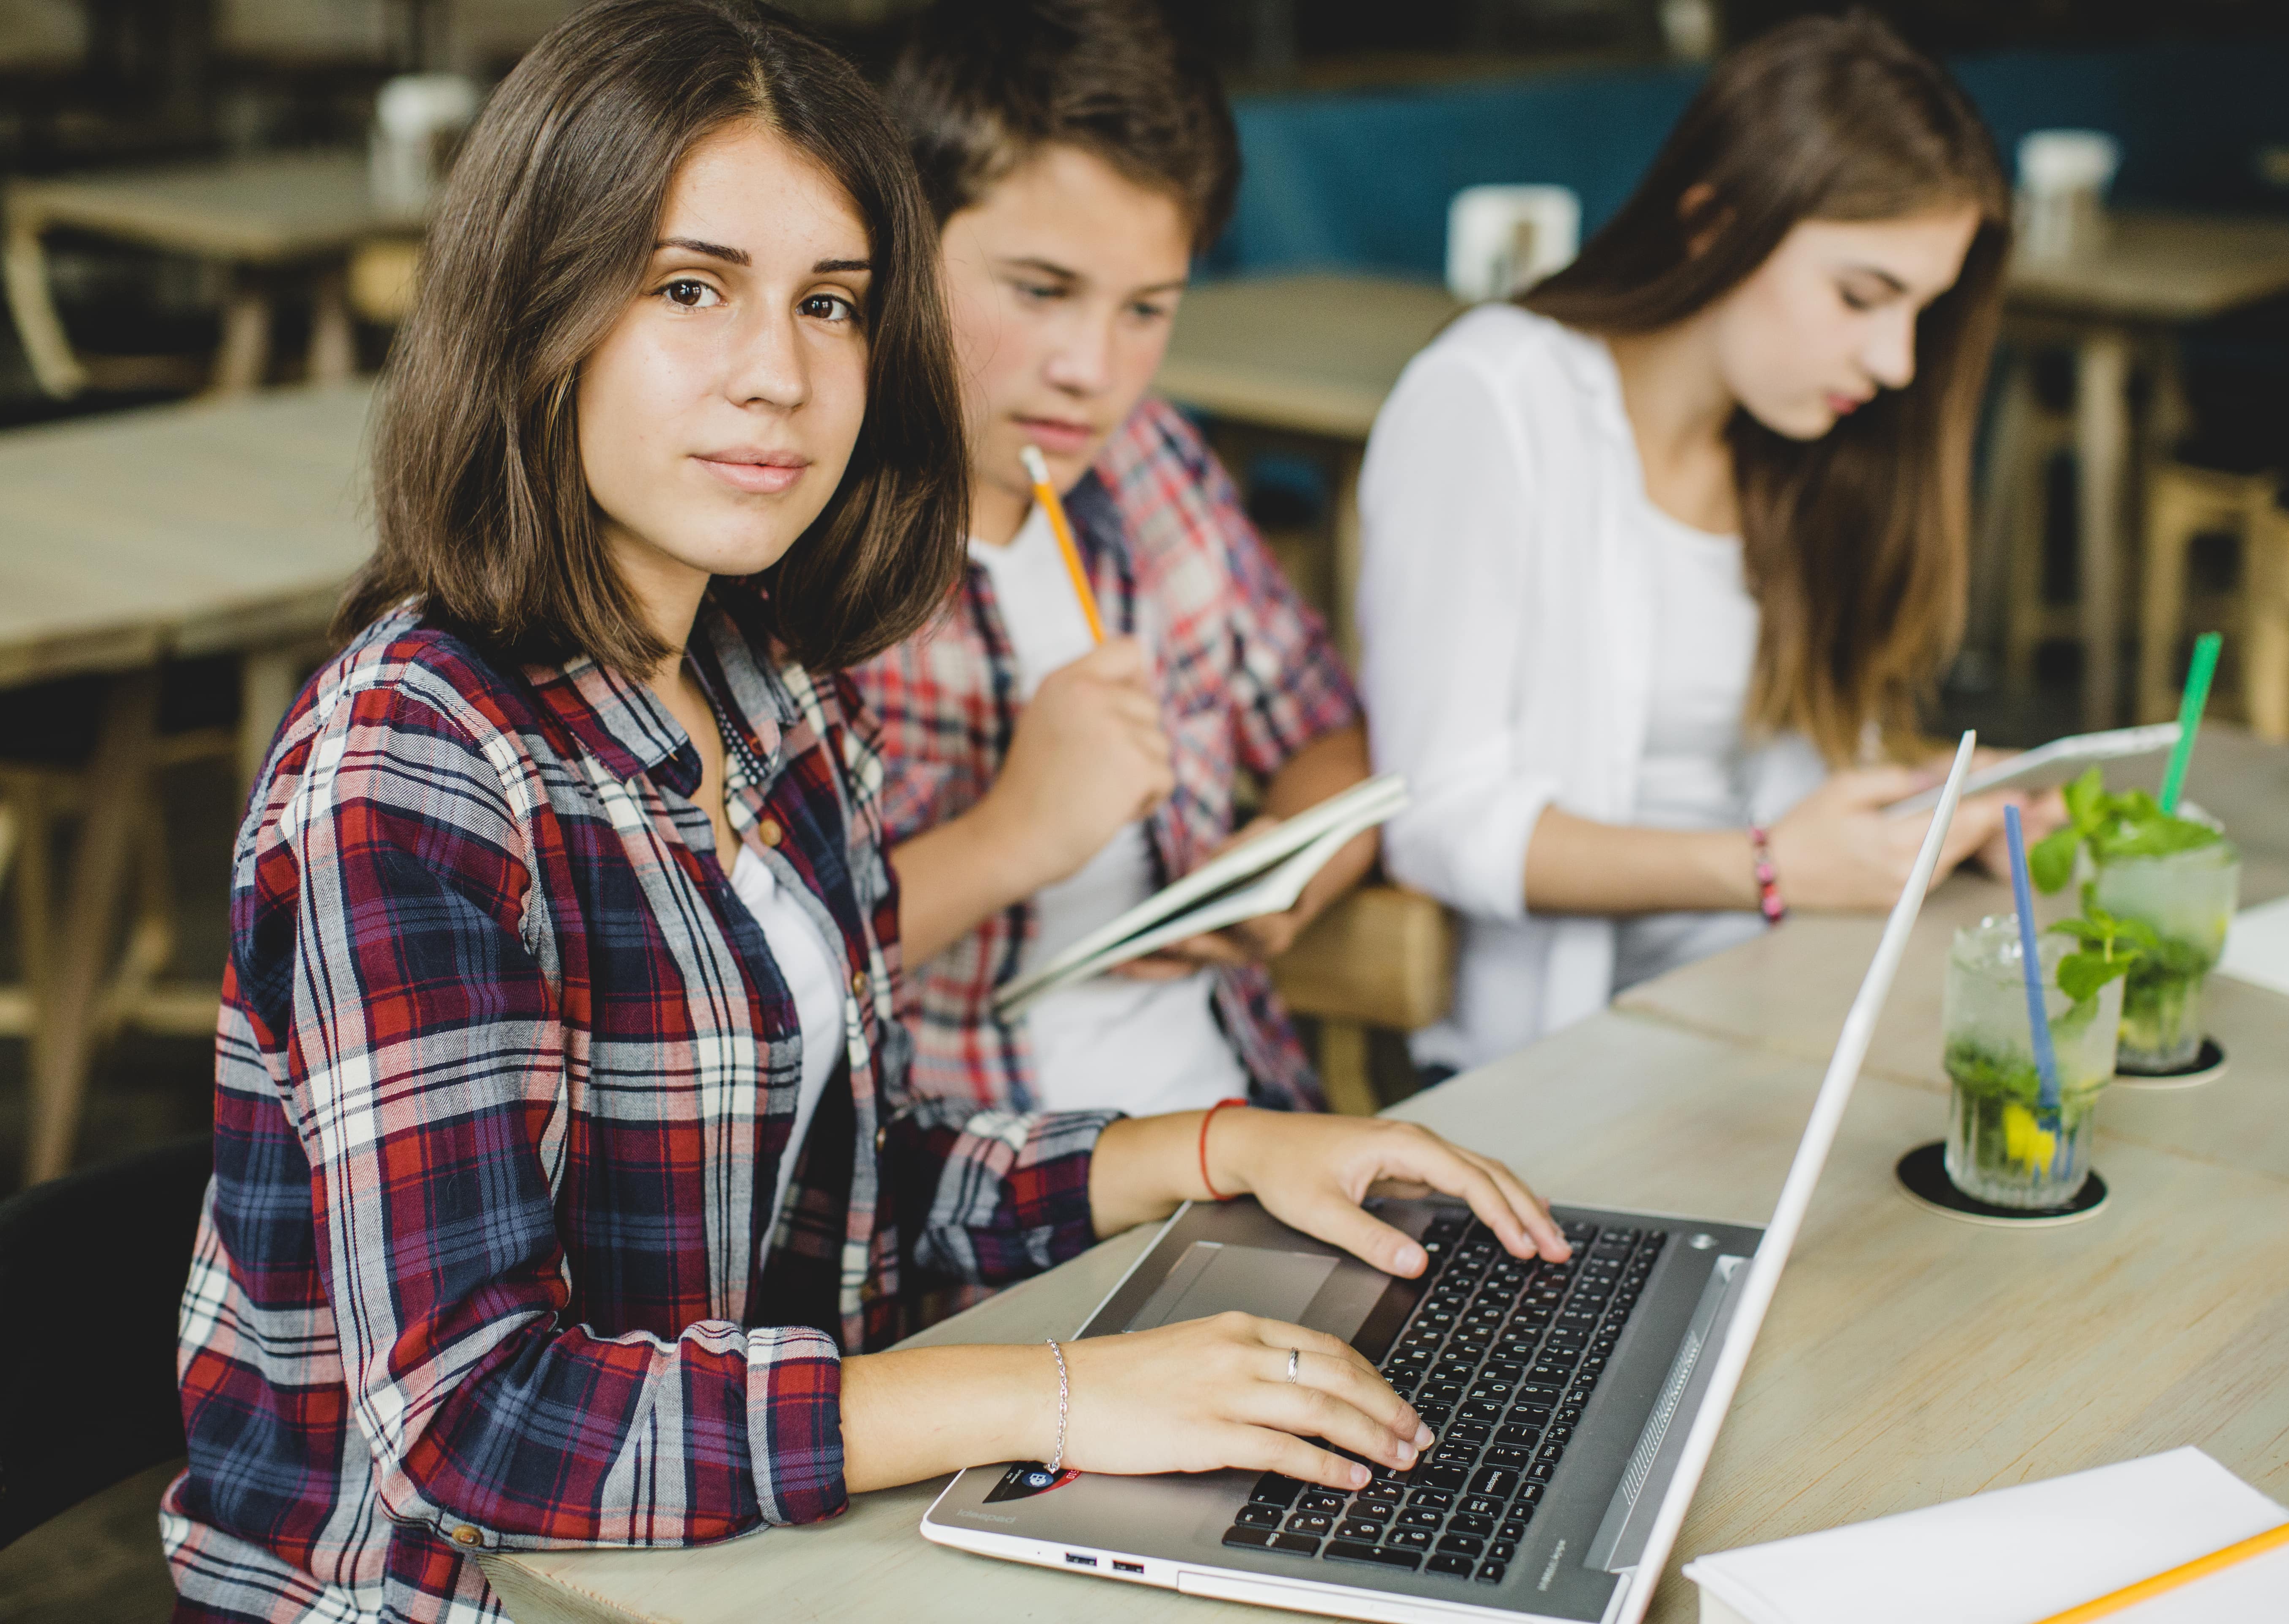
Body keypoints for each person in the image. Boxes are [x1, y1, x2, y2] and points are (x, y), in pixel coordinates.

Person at [162, 5, 1567, 1619]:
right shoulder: (409, 767)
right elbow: (487, 1426)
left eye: (831, 304)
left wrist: (1222, 1147)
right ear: (533, 305)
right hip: (445, 1594)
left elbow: (839, 1186)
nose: (781, 376)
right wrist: (1060, 1396)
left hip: (738, 1548)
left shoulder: (772, 687)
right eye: (692, 289)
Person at [1359, 12, 2058, 1079]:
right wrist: (1775, 868)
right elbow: (1439, 822)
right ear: (1711, 222)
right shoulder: (1493, 398)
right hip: (1567, 1068)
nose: (1898, 360)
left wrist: (1920, 810)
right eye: (1862, 297)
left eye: (1922, 310)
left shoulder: (1802, 445)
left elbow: (1798, 779)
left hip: (1780, 1001)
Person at [853, 0, 1371, 1119]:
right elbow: (742, 976)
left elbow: (1330, 736)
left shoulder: (1153, 465)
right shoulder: (801, 546)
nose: (1095, 368)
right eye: (1041, 291)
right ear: (903, 244)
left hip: (1243, 1117)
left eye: (1147, 309)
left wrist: (1291, 872)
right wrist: (1013, 834)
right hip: (969, 1200)